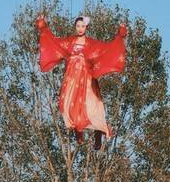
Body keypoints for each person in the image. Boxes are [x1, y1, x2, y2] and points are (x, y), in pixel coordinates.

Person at [36, 14, 128, 149]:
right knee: (69, 106)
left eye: (82, 26)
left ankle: (98, 134)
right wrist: (43, 25)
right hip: (72, 80)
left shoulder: (92, 44)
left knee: (93, 108)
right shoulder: (69, 42)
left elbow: (108, 49)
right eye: (78, 26)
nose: (80, 29)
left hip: (87, 80)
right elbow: (54, 42)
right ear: (75, 27)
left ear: (86, 27)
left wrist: (120, 34)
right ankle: (78, 131)